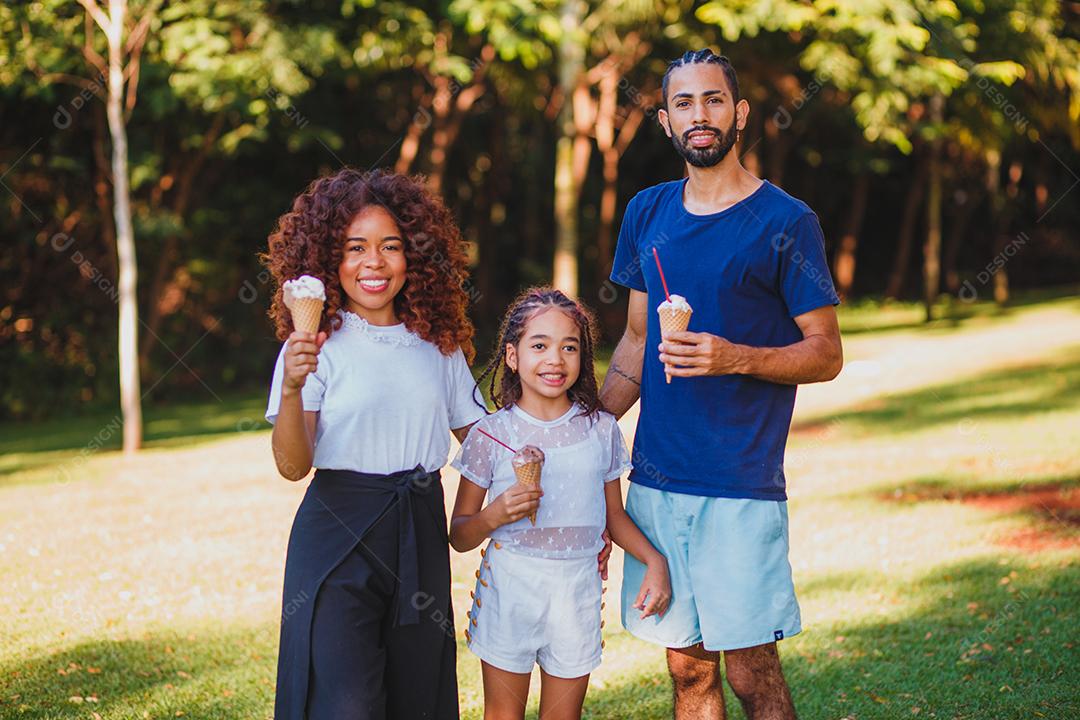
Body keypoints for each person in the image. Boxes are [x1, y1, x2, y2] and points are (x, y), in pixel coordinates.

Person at [601, 49, 844, 720]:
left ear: (739, 114)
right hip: (655, 482)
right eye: (684, 103)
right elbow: (634, 340)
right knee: (687, 673)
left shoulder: (786, 222)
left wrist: (735, 357)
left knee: (752, 674)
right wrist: (585, 424)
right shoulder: (646, 213)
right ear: (664, 119)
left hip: (739, 484)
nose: (699, 115)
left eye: (713, 100)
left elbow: (825, 354)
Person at [263, 167, 483, 719]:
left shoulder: (439, 345)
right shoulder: (312, 346)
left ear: (415, 255)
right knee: (347, 704)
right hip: (337, 535)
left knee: (417, 697)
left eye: (390, 246)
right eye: (354, 247)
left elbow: (483, 441)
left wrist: (553, 429)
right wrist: (292, 386)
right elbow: (293, 466)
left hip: (420, 532)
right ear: (326, 259)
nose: (374, 263)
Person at [448, 287, 671, 720]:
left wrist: (654, 561)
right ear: (512, 356)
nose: (555, 359)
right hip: (510, 587)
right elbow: (459, 534)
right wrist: (496, 514)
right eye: (539, 346)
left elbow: (615, 517)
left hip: (576, 590)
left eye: (569, 347)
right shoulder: (491, 434)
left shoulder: (601, 430)